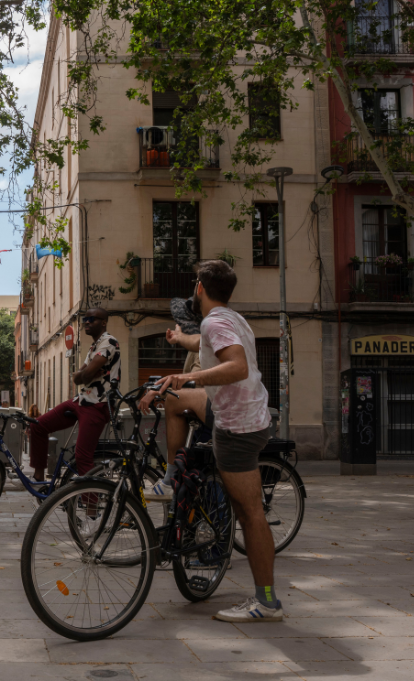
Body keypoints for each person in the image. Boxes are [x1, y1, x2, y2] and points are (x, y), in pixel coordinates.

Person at [139, 260, 281, 622]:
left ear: (200, 287)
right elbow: (203, 342)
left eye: (194, 283)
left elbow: (237, 366)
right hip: (244, 410)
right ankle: (172, 477)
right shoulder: (229, 319)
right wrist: (177, 339)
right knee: (173, 400)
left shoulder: (215, 321)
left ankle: (266, 602)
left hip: (237, 426)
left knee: (250, 515)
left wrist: (190, 378)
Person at [28, 307, 119, 481]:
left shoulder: (109, 342)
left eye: (92, 319)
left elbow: (84, 375)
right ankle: (39, 479)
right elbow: (78, 378)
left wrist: (85, 374)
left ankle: (91, 505)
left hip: (97, 405)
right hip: (81, 400)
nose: (87, 322)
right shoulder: (94, 347)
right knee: (37, 426)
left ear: (104, 322)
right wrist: (85, 374)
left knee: (83, 456)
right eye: (86, 319)